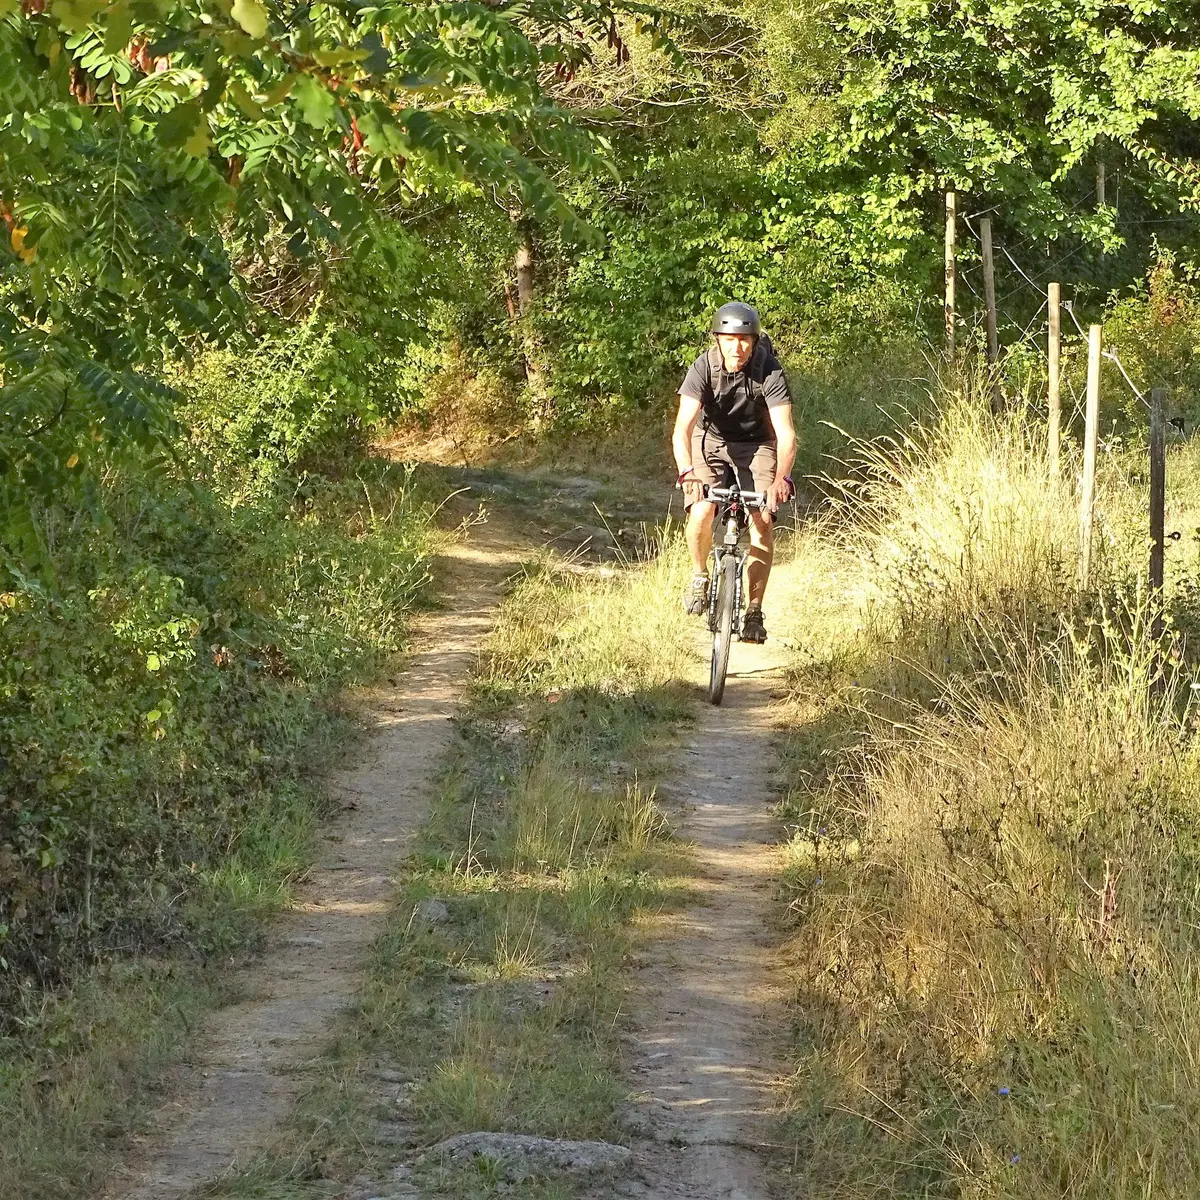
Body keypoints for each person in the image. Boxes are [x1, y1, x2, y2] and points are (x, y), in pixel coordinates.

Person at [672, 302, 796, 644]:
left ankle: (754, 611)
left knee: (763, 521)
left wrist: (780, 479)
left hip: (758, 444)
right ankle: (699, 576)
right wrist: (687, 474)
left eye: (744, 340)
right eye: (729, 339)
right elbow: (682, 429)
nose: (736, 347)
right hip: (710, 441)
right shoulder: (703, 368)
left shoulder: (769, 371)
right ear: (717, 339)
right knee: (702, 508)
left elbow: (786, 434)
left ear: (755, 342)